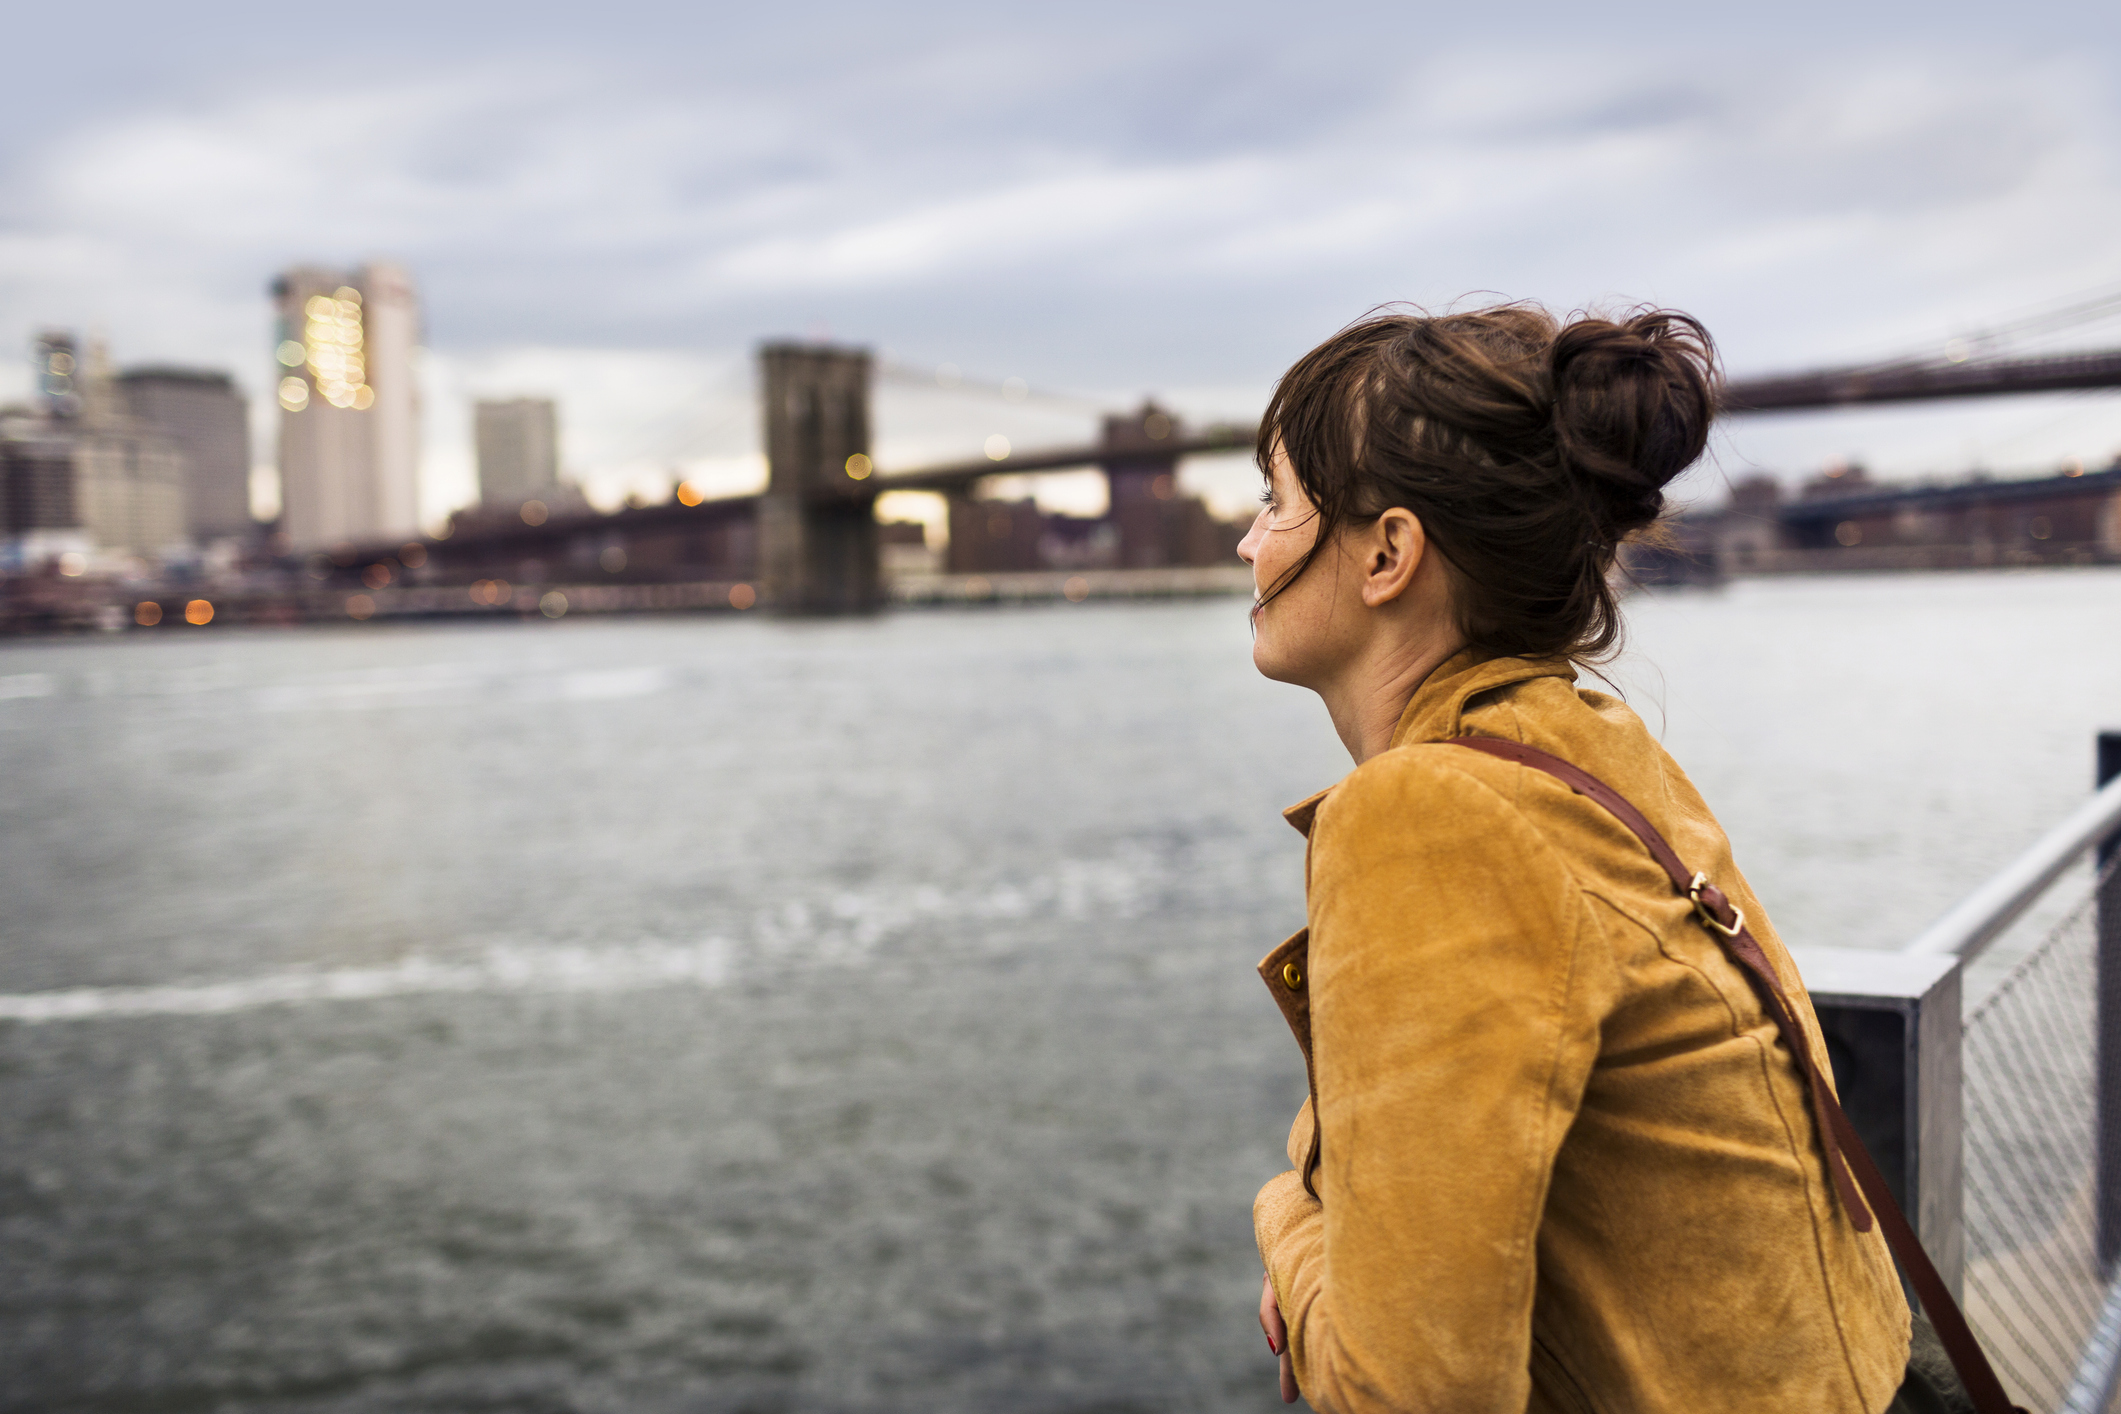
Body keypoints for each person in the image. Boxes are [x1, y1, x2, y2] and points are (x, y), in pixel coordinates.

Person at [1238, 305, 1920, 1412]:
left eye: (1274, 499)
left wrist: (1283, 1221)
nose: (1249, 541)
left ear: (1386, 553)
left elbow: (1411, 1389)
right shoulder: (1590, 746)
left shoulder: (1424, 812)